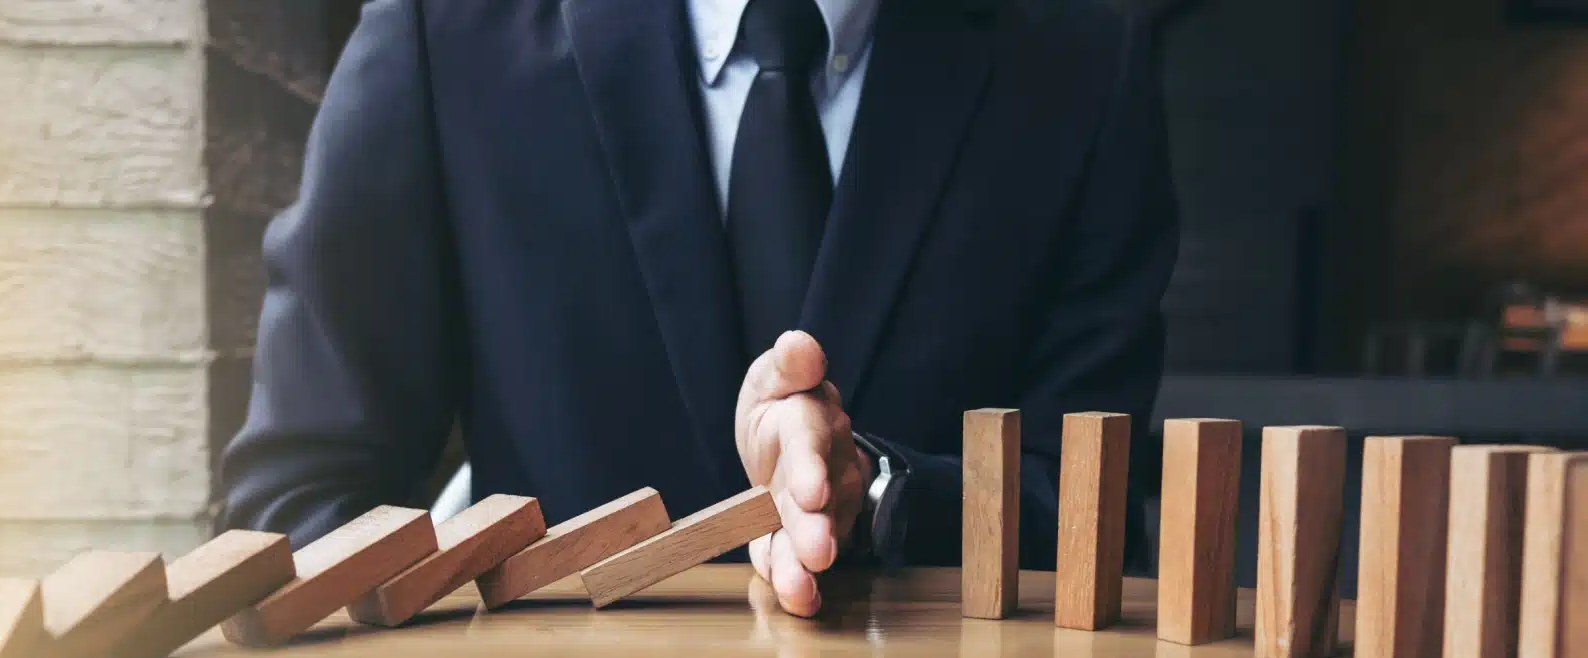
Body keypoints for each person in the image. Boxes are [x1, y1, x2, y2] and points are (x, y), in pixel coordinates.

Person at [220, 0, 1179, 617]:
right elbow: (301, 503)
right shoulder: (447, 34)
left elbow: (1089, 520)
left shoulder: (1082, 58)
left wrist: (874, 492)